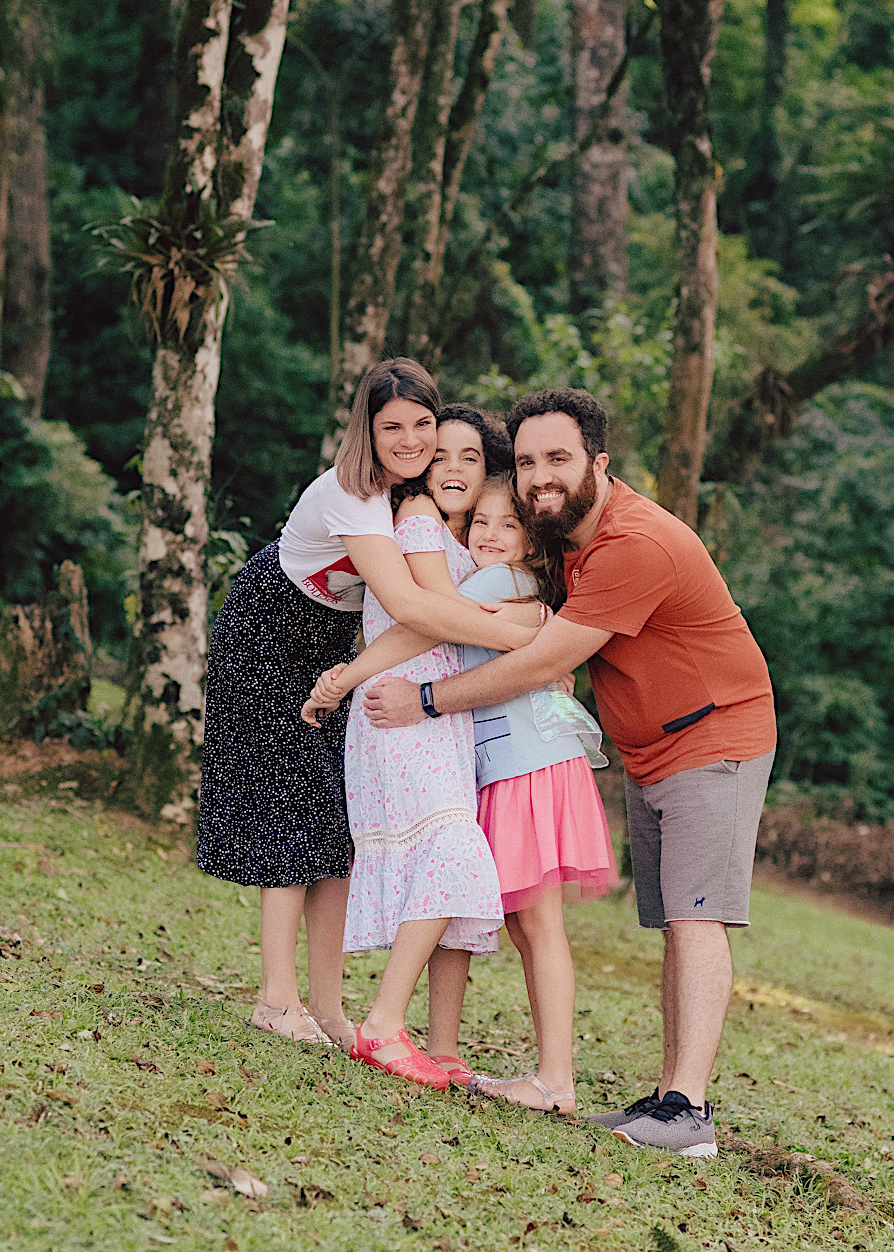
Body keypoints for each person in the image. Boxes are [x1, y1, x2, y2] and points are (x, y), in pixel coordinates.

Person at [363, 387, 777, 1157]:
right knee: (669, 921)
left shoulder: (634, 542)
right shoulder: (561, 542)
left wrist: (426, 698)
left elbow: (544, 659)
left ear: (598, 462)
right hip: (651, 749)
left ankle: (688, 1114)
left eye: (557, 458)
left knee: (696, 916)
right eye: (525, 462)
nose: (538, 475)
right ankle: (666, 1098)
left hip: (715, 737)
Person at [197, 360, 540, 1053]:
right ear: (368, 429)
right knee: (290, 811)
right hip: (268, 628)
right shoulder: (355, 495)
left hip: (326, 640)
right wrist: (525, 638)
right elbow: (414, 605)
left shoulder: (413, 498)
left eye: (423, 425)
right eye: (393, 427)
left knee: (334, 830)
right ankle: (276, 997)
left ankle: (326, 1007)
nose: (410, 439)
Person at [310, 471, 615, 1115]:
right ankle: (455, 1051)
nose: (491, 534)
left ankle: (556, 1079)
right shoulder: (512, 588)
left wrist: (347, 676)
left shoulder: (498, 583)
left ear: (533, 541)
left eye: (509, 525)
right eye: (482, 523)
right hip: (503, 759)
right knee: (498, 911)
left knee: (536, 919)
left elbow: (424, 625)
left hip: (527, 760)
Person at [302, 407, 519, 1091]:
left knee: (446, 860)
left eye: (470, 458)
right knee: (455, 849)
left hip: (441, 715)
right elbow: (427, 622)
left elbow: (457, 621)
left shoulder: (470, 538)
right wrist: (539, 637)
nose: (453, 468)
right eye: (441, 455)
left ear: (488, 473)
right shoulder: (420, 518)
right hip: (399, 708)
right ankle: (385, 1022)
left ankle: (442, 1044)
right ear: (421, 469)